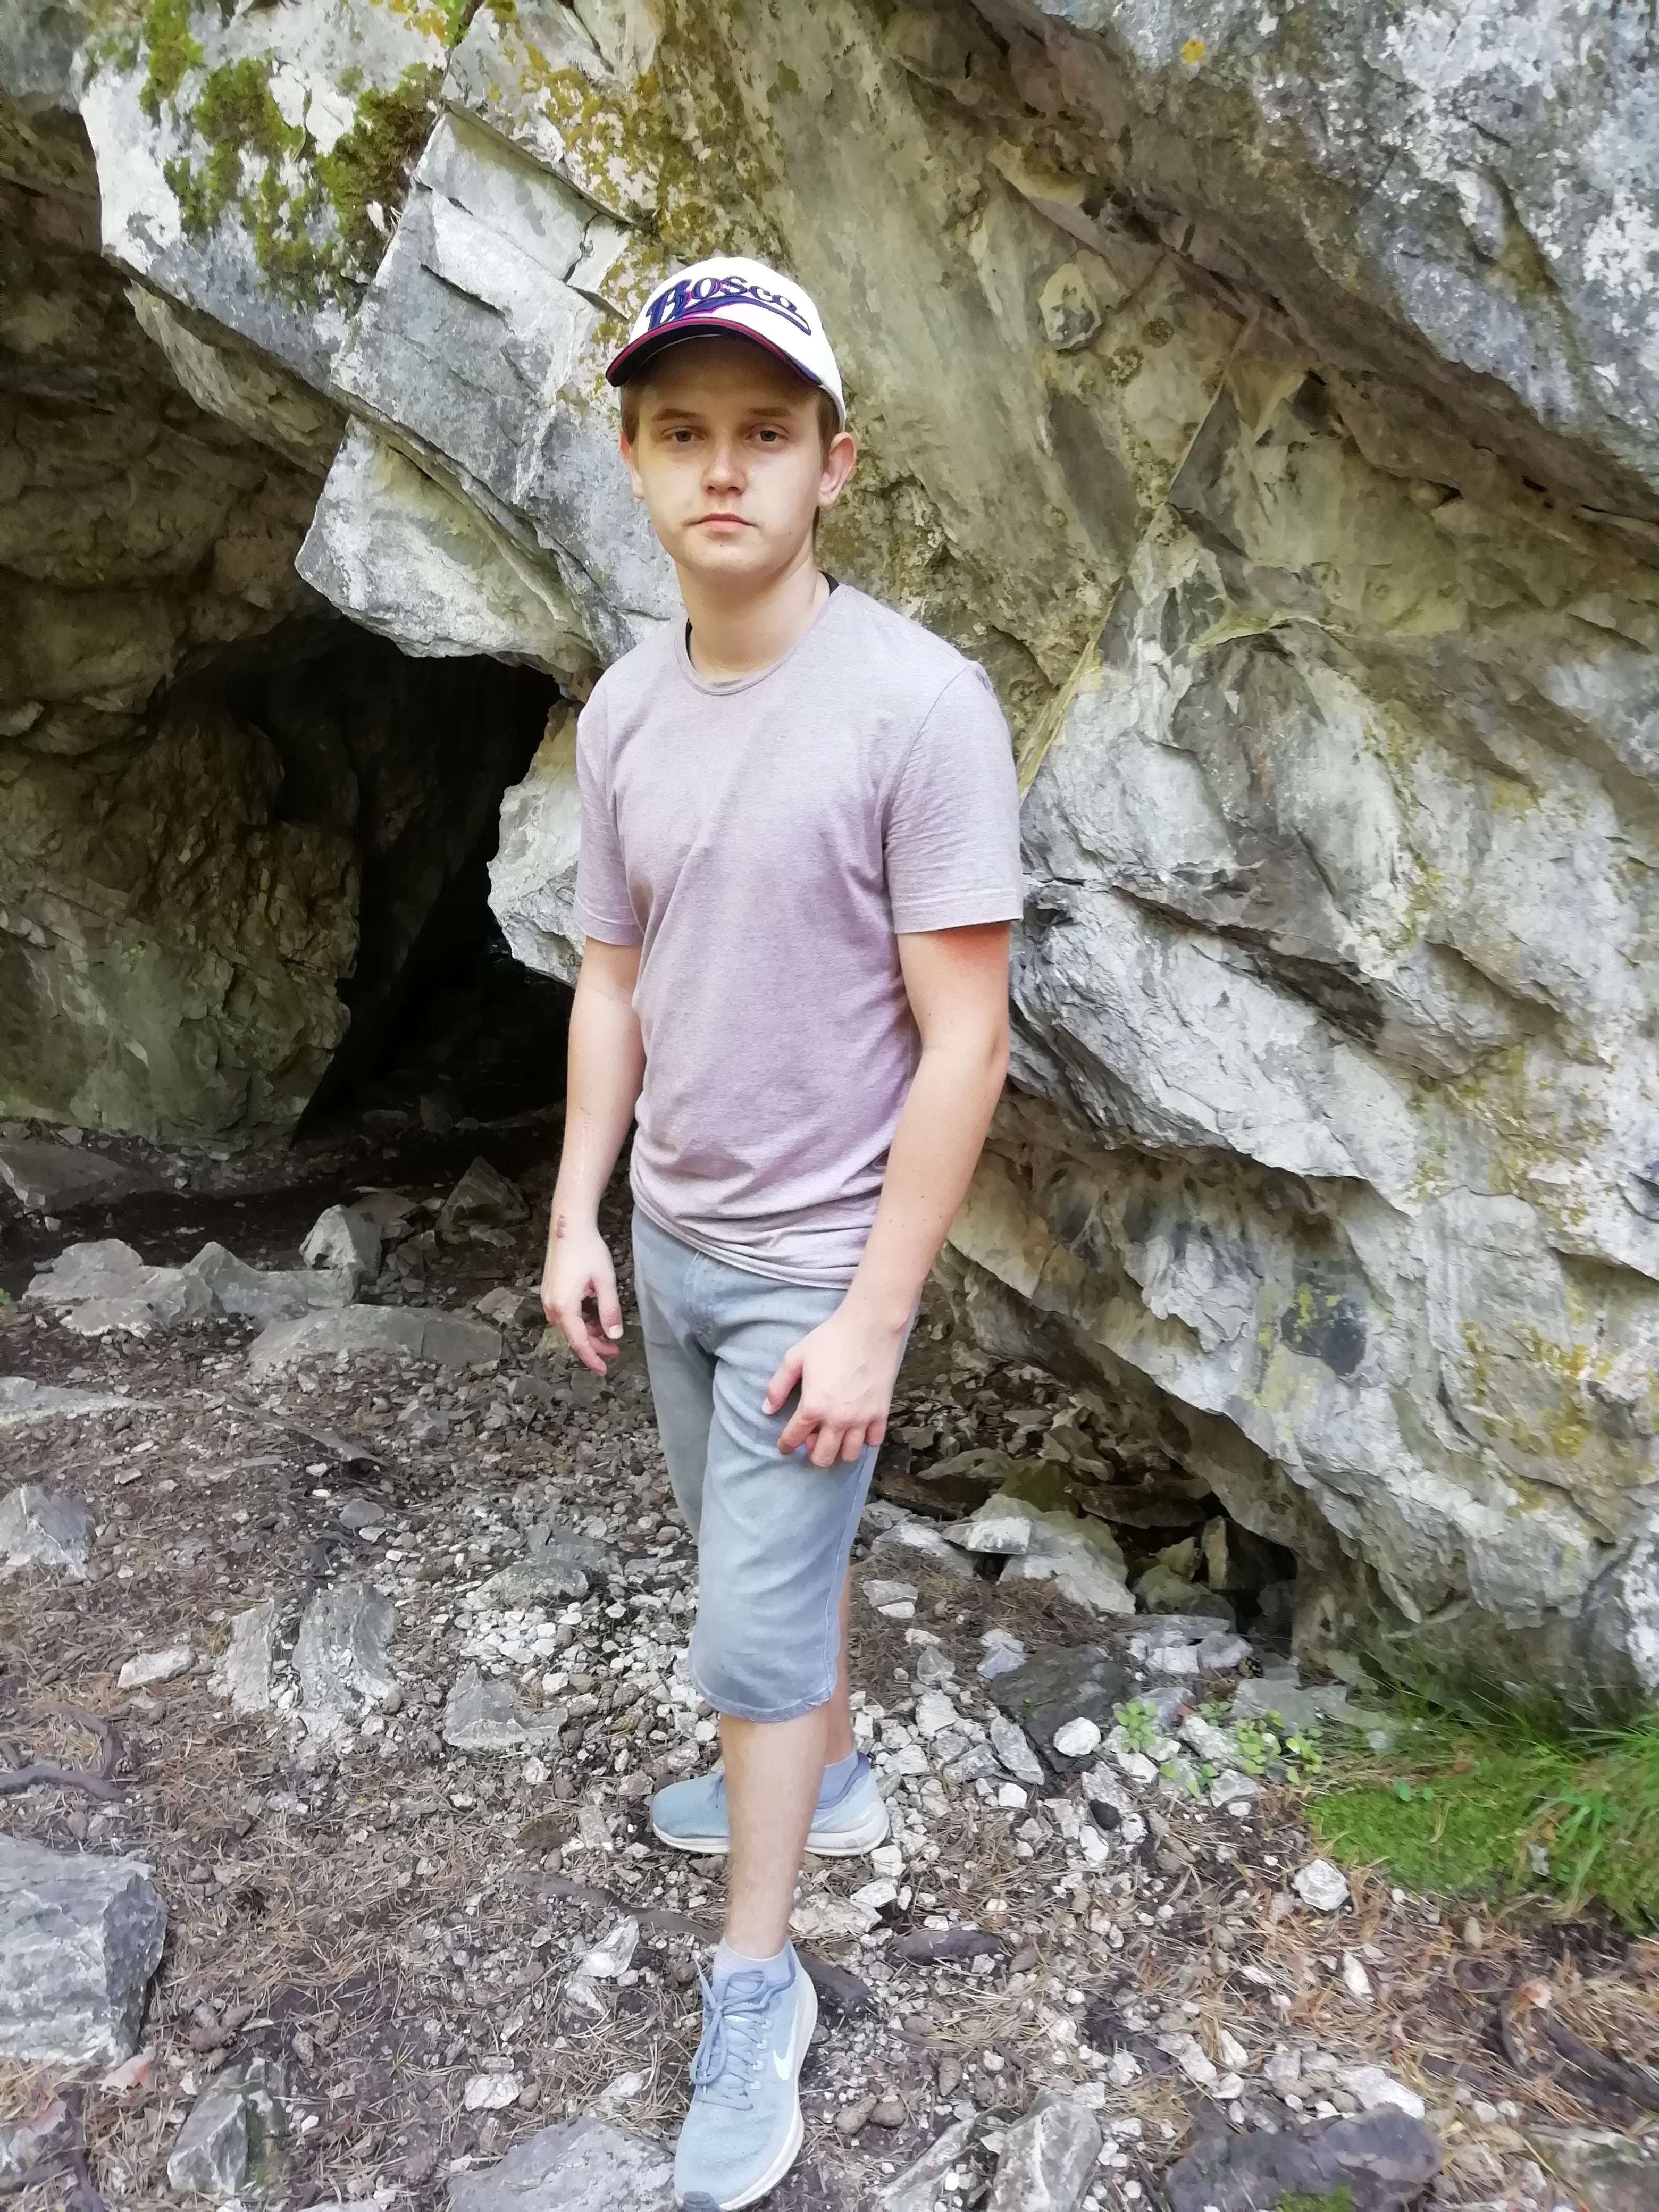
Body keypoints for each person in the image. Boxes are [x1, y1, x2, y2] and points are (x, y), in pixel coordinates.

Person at [540, 253, 1024, 2211]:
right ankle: (828, 1771)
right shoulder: (624, 710)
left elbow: (967, 1036)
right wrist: (576, 1211)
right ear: (638, 463)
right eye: (683, 433)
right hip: (671, 1242)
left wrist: (877, 1320)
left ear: (836, 461)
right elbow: (611, 977)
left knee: (744, 1632)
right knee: (760, 1576)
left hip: (820, 1267)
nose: (722, 469)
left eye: (764, 432)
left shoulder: (919, 706)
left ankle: (760, 1981)